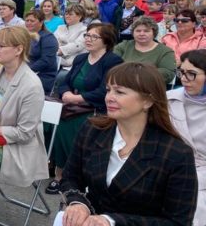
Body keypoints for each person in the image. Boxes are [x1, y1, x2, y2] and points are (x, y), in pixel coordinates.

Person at [57, 62, 197, 226]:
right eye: (108, 90)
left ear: (148, 101)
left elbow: (178, 222)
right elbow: (71, 177)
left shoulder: (176, 154)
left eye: (120, 92)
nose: (109, 97)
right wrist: (78, 203)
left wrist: (111, 221)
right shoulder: (93, 129)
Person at [46, 23, 123, 194]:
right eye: (87, 35)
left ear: (106, 41)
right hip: (72, 106)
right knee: (57, 125)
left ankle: (73, 176)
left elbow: (106, 89)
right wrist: (66, 93)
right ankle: (59, 174)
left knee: (76, 126)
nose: (88, 39)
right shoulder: (80, 59)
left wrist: (77, 98)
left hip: (95, 108)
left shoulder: (113, 61)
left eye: (94, 37)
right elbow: (65, 81)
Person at [0, 26, 49, 185]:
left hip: (14, 147)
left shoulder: (31, 86)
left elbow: (24, 134)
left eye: (1, 46)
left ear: (18, 49)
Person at [168, 50, 206, 225]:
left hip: (202, 172)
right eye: (181, 72)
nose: (184, 78)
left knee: (196, 204)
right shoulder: (168, 99)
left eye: (192, 74)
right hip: (171, 165)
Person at [114, 16, 176, 87]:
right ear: (133, 32)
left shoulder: (165, 51)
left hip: (150, 89)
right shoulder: (123, 46)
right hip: (122, 85)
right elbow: (112, 64)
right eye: (138, 31)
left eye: (146, 31)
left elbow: (167, 73)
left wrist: (138, 75)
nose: (141, 34)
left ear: (154, 33)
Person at [25, 9, 58, 93]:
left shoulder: (48, 38)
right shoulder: (25, 36)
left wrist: (25, 71)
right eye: (27, 20)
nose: (28, 23)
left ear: (41, 22)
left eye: (32, 21)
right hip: (26, 72)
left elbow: (45, 61)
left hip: (42, 75)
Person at [54, 4, 88, 82]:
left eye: (70, 14)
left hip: (72, 63)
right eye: (66, 14)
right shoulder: (60, 28)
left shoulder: (84, 30)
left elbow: (77, 45)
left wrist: (60, 50)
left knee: (60, 77)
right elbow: (53, 41)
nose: (67, 16)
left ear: (79, 16)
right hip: (56, 60)